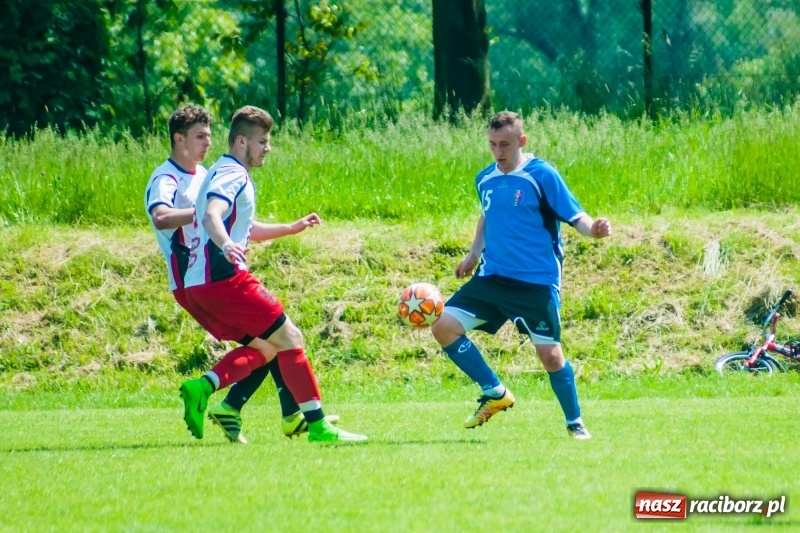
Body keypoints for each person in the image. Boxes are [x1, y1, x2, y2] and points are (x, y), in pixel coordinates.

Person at [145, 104, 337, 444]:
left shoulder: (210, 173)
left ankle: (219, 398)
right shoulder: (175, 177)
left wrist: (291, 228)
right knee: (288, 337)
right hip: (211, 277)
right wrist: (219, 235)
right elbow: (184, 216)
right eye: (199, 136)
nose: (207, 141)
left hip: (204, 278)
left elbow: (238, 225)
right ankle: (313, 423)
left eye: (208, 135)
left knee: (266, 347)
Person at [430, 111, 611, 440]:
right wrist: (473, 252)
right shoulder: (485, 178)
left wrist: (593, 231)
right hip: (493, 278)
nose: (498, 151)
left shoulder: (541, 175)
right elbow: (488, 215)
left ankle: (575, 422)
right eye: (492, 144)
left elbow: (575, 216)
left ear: (521, 142)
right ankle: (494, 392)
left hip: (535, 282)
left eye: (505, 145)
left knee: (551, 356)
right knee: (443, 326)